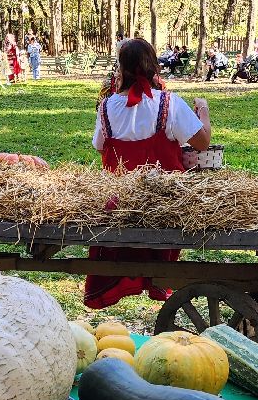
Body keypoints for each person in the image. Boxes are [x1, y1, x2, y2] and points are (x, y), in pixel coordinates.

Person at [84, 38, 212, 308]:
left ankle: (117, 279)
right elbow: (202, 143)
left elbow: (100, 147)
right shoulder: (169, 104)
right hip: (163, 203)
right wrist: (203, 111)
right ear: (153, 66)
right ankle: (159, 277)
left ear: (121, 69)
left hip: (119, 204)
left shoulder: (106, 107)